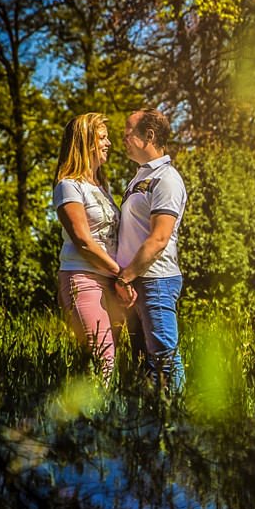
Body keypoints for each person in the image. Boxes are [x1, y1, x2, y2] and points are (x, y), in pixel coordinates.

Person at [54, 112, 133, 378]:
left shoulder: (102, 188)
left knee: (113, 358)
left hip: (110, 281)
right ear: (85, 142)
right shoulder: (68, 186)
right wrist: (121, 273)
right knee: (104, 357)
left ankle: (102, 415)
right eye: (102, 137)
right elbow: (84, 241)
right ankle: (98, 415)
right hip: (83, 278)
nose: (109, 143)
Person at [114, 108, 187, 391]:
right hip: (136, 281)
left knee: (163, 359)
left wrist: (125, 277)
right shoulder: (138, 178)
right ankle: (149, 425)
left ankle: (177, 426)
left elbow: (159, 239)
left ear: (150, 135)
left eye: (128, 134)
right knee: (143, 361)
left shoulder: (166, 179)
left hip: (155, 279)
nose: (123, 139)